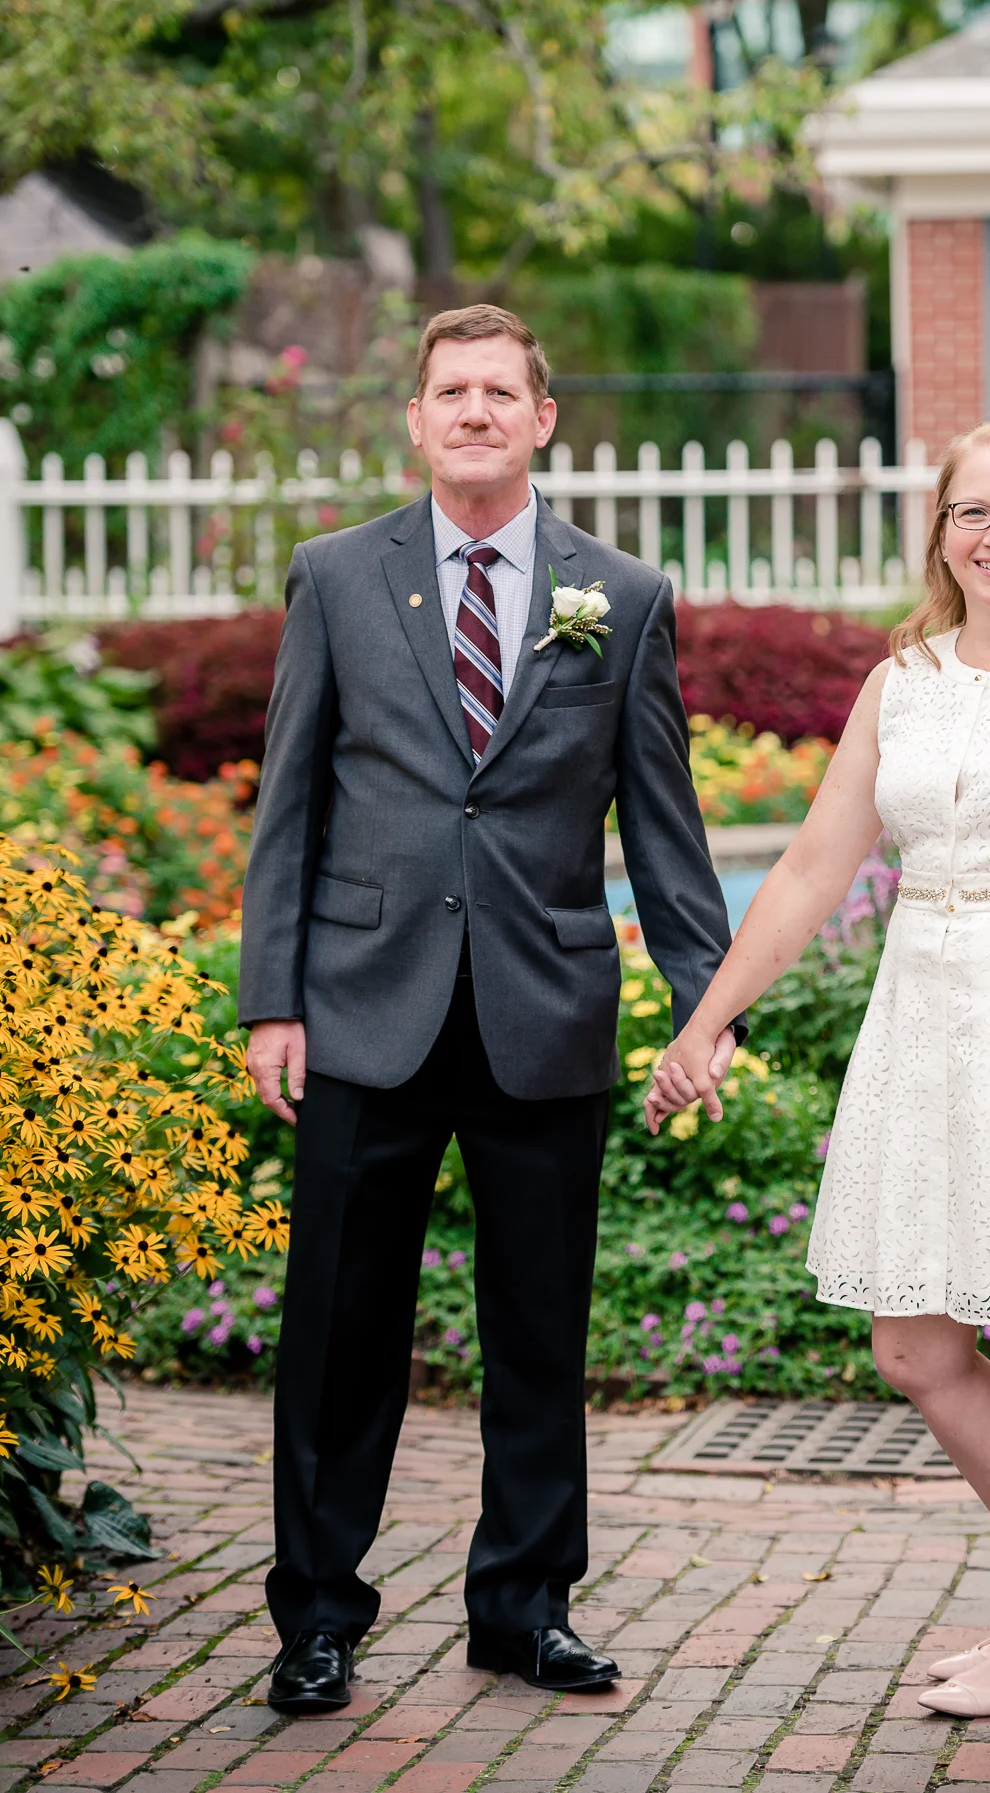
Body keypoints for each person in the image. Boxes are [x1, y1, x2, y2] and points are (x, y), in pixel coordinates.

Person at [648, 421, 990, 1720]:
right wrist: (705, 1021)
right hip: (924, 1022)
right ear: (942, 531)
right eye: (973, 513)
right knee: (911, 1342)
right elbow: (810, 868)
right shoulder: (901, 682)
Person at [240, 304, 743, 1712]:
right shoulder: (338, 576)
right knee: (340, 1338)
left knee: (537, 1336)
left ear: (542, 420)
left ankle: (523, 1610)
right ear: (416, 421)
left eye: (498, 392)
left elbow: (664, 826)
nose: (473, 411)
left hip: (544, 1013)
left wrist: (705, 1008)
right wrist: (273, 999)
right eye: (449, 391)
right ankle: (316, 1618)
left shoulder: (619, 596)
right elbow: (290, 801)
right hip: (362, 1011)